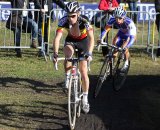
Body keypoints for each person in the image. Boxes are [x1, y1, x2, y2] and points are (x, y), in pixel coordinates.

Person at [52, 1, 94, 113]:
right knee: (68, 55)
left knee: (83, 71)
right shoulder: (63, 20)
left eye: (73, 16)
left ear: (78, 14)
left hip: (83, 43)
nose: (70, 18)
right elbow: (57, 38)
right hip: (71, 41)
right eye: (68, 15)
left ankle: (85, 98)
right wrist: (55, 53)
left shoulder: (85, 21)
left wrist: (89, 53)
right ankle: (68, 77)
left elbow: (91, 38)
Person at [99, 6, 136, 71]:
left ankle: (126, 63)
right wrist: (101, 38)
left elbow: (133, 37)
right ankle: (111, 64)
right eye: (116, 18)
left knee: (125, 47)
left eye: (120, 18)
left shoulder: (129, 23)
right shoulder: (112, 19)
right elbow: (106, 30)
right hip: (121, 33)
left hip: (129, 35)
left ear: (124, 17)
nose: (118, 20)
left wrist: (127, 46)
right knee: (114, 46)